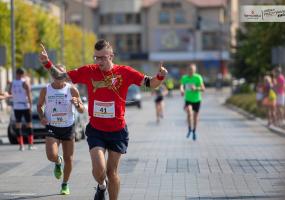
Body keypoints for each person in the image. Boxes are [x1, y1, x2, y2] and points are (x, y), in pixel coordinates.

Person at [39, 39, 168, 200]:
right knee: (99, 170)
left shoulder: (125, 72)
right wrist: (47, 63)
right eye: (96, 57)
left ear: (111, 56)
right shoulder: (89, 70)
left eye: (102, 57)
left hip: (117, 130)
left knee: (112, 173)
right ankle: (101, 186)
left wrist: (160, 76)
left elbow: (151, 83)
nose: (98, 61)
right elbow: (60, 76)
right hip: (96, 130)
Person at [37, 64, 85, 195]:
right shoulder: (45, 90)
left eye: (62, 74)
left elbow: (81, 109)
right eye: (56, 75)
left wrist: (77, 104)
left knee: (69, 158)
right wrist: (41, 116)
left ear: (65, 75)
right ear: (52, 75)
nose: (58, 77)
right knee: (51, 155)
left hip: (68, 127)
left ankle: (65, 184)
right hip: (52, 126)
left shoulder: (72, 90)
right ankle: (58, 161)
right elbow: (39, 105)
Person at [9, 68, 36, 151]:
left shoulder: (12, 83)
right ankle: (30, 144)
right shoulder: (24, 82)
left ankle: (21, 145)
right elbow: (29, 95)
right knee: (29, 125)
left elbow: (10, 93)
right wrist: (31, 106)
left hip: (16, 106)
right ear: (22, 74)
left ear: (16, 74)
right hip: (25, 106)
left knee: (18, 126)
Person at [180, 63, 205, 141]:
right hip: (188, 100)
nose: (191, 72)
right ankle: (189, 128)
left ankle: (194, 131)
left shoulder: (198, 77)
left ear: (195, 70)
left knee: (195, 117)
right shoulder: (184, 78)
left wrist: (196, 88)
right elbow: (181, 85)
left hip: (197, 100)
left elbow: (203, 89)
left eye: (192, 70)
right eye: (190, 70)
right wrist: (181, 90)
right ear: (188, 70)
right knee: (189, 112)